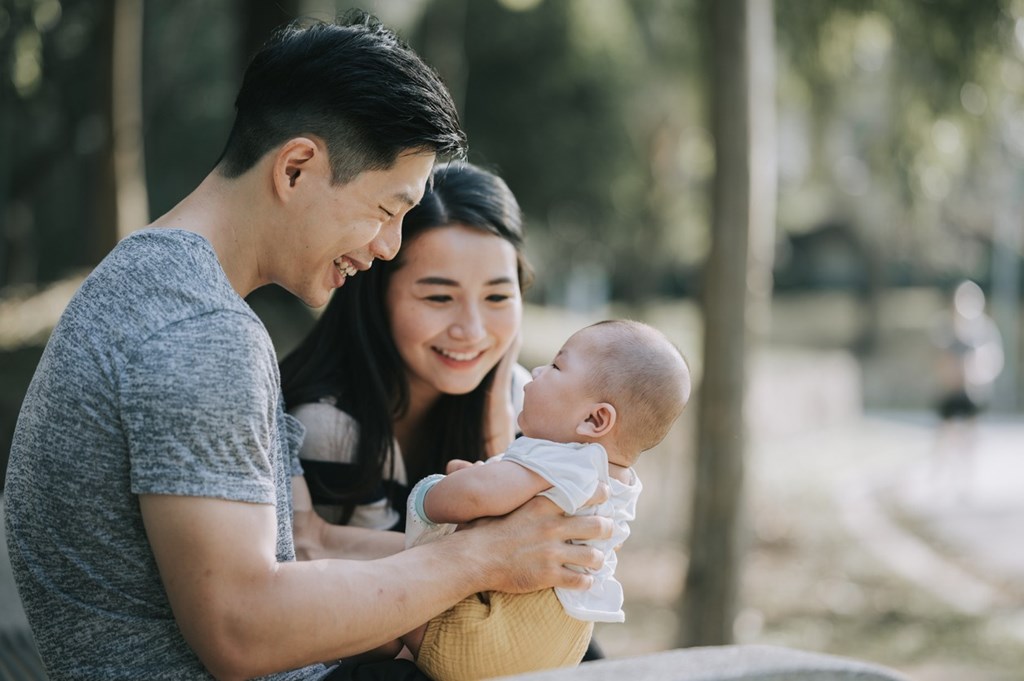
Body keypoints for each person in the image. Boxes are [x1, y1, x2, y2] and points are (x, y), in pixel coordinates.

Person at [3, 14, 609, 681]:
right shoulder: (198, 330)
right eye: (387, 210)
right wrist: (480, 558)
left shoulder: (156, 283)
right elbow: (241, 627)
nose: (387, 247)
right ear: (296, 168)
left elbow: (294, 555)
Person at [400, 320, 692, 681]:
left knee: (389, 599)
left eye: (556, 367)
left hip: (480, 642)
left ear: (594, 419)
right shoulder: (614, 479)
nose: (537, 371)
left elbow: (472, 497)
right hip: (555, 653)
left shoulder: (565, 459)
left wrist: (432, 491)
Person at [280, 161, 532, 535]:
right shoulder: (330, 428)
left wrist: (498, 435)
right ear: (376, 294)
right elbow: (399, 584)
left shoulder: (519, 396)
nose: (472, 330)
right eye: (439, 297)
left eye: (497, 296)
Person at [929, 279, 1004, 496]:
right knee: (945, 433)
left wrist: (978, 372)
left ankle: (966, 479)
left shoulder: (984, 329)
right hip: (949, 390)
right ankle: (941, 477)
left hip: (973, 390)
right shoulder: (945, 327)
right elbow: (936, 359)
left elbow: (993, 359)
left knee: (970, 435)